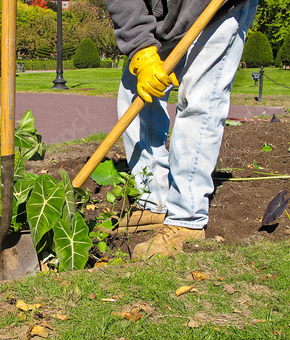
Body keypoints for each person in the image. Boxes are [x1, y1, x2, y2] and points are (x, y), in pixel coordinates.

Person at [105, 0, 258, 259]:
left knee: (199, 101)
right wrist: (142, 50)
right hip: (165, 18)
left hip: (218, 9)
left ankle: (186, 218)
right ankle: (153, 199)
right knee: (135, 89)